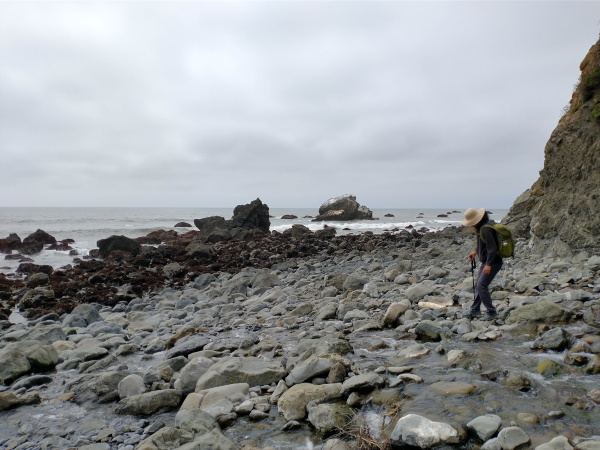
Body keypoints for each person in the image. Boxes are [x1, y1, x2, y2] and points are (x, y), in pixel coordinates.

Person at [462, 208, 501, 320]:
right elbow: (484, 245)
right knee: (479, 284)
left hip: (493, 262)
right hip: (487, 262)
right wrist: (475, 252)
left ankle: (492, 312)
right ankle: (475, 310)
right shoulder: (481, 229)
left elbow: (492, 249)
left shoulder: (485, 230)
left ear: (477, 220)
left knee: (481, 285)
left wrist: (489, 264)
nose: (470, 225)